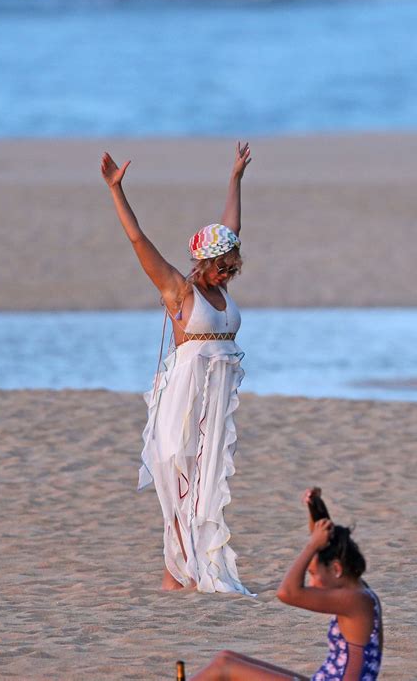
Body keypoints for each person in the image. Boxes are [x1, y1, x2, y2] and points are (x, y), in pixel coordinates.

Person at [101, 142, 253, 594]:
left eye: (232, 266)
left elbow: (231, 227)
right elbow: (137, 240)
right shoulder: (178, 291)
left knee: (205, 485)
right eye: (222, 266)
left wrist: (235, 178)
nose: (228, 273)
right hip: (183, 402)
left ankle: (177, 578)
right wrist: (116, 191)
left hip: (215, 400)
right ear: (203, 263)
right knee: (180, 485)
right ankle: (177, 577)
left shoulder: (221, 288)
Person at [191, 489, 383, 679]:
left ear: (337, 569)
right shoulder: (358, 590)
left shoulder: (357, 601)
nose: (312, 583)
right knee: (226, 656)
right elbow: (329, 546)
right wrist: (316, 511)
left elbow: (287, 593)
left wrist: (311, 546)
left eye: (314, 574)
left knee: (224, 666)